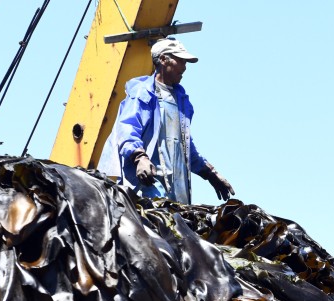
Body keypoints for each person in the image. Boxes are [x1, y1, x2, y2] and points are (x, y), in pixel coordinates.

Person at [99, 37, 234, 204]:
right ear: (163, 60)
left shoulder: (181, 101)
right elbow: (127, 129)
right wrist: (139, 157)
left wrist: (209, 173)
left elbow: (184, 146)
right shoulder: (142, 93)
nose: (184, 67)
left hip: (177, 191)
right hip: (148, 184)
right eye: (180, 61)